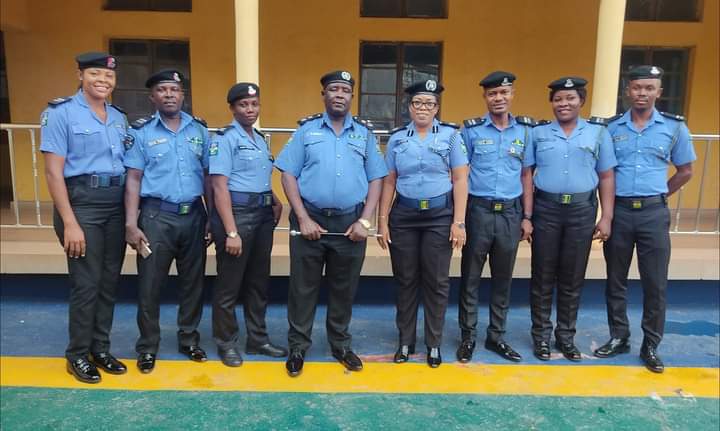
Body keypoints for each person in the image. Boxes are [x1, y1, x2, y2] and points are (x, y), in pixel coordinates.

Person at [275, 70, 387, 377]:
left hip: (350, 224)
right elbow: (287, 174)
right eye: (333, 89)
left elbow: (378, 177)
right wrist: (303, 217)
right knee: (302, 288)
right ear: (323, 95)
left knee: (344, 288)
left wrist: (366, 220)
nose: (339, 94)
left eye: (345, 90)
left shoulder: (363, 135)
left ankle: (340, 345)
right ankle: (298, 346)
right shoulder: (307, 132)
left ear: (352, 96)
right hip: (310, 223)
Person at [594, 65, 695, 373]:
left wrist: (661, 194)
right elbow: (605, 173)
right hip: (621, 211)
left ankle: (650, 343)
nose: (642, 93)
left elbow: (686, 170)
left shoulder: (675, 128)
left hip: (653, 213)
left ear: (658, 92)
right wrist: (606, 215)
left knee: (655, 282)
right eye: (637, 87)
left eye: (649, 88)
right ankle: (619, 336)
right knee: (616, 279)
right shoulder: (612, 129)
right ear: (628, 90)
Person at [41, 52, 128, 384]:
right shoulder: (60, 114)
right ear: (79, 75)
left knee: (108, 283)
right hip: (82, 204)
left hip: (115, 204)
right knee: (86, 284)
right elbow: (53, 172)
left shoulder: (118, 117)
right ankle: (77, 354)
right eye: (95, 74)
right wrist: (70, 222)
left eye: (108, 76)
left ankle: (100, 348)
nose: (102, 80)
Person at [124, 69, 212, 373]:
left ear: (183, 95)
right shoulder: (142, 133)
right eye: (162, 90)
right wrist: (131, 223)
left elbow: (208, 177)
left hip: (194, 216)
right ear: (153, 97)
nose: (169, 94)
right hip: (155, 217)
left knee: (193, 283)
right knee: (150, 285)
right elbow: (133, 179)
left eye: (174, 89)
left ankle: (189, 340)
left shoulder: (199, 130)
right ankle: (148, 346)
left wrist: (212, 217)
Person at [377, 79, 469, 368]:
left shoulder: (452, 137)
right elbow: (389, 181)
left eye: (429, 103)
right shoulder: (397, 139)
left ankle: (433, 344)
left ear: (437, 108)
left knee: (437, 281)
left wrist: (459, 222)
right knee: (405, 280)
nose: (423, 108)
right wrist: (382, 220)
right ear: (409, 106)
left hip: (439, 217)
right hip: (403, 216)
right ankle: (405, 340)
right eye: (418, 103)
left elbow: (460, 179)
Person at [526, 77, 616, 362]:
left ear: (581, 101)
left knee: (572, 277)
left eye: (570, 98)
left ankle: (565, 337)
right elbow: (526, 175)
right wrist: (527, 215)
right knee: (542, 276)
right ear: (552, 103)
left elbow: (606, 176)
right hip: (546, 210)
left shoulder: (598, 134)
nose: (564, 104)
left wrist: (607, 216)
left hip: (581, 211)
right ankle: (540, 336)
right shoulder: (538, 134)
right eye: (558, 99)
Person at [456, 71, 535, 363]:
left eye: (504, 93)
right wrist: (460, 218)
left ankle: (496, 336)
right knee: (471, 277)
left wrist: (527, 216)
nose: (498, 98)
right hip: (479, 210)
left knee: (503, 278)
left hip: (510, 213)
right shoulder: (472, 130)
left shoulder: (525, 131)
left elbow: (527, 176)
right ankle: (468, 336)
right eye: (492, 94)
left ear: (512, 95)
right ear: (485, 97)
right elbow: (460, 175)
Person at [209, 82, 287, 367]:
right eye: (243, 105)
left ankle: (258, 339)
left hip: (262, 215)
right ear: (232, 108)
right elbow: (219, 187)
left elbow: (257, 177)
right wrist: (231, 231)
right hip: (237, 216)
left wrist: (275, 199)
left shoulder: (258, 138)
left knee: (257, 283)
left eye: (254, 104)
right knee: (230, 284)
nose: (250, 109)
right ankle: (226, 342)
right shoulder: (224, 139)